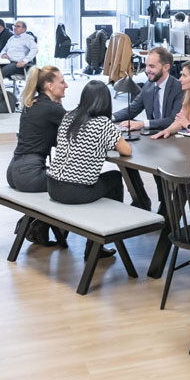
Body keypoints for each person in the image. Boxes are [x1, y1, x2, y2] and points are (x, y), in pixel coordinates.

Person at [47, 80, 132, 259]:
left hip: (53, 186)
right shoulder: (103, 124)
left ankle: (98, 239)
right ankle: (103, 237)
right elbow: (126, 151)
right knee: (115, 177)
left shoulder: (69, 116)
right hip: (75, 191)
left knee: (104, 179)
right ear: (105, 102)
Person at [113, 48, 184, 211]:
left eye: (151, 66)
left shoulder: (178, 88)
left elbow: (172, 120)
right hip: (154, 138)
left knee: (157, 163)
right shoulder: (148, 85)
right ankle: (142, 201)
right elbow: (133, 108)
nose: (147, 70)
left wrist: (142, 124)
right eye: (146, 66)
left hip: (174, 139)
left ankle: (165, 206)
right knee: (127, 158)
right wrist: (109, 117)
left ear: (166, 67)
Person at [7, 65, 68, 246]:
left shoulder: (31, 104)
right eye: (62, 81)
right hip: (30, 173)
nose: (66, 86)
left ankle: (36, 224)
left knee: (60, 179)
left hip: (14, 170)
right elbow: (79, 130)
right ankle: (36, 224)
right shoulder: (52, 109)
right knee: (74, 183)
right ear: (49, 86)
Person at [0, 20, 38, 96]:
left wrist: (24, 61)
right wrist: (4, 54)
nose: (15, 28)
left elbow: (35, 49)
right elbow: (3, 50)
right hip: (7, 62)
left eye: (18, 26)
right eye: (14, 26)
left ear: (24, 29)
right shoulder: (12, 38)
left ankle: (0, 100)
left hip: (18, 64)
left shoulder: (27, 38)